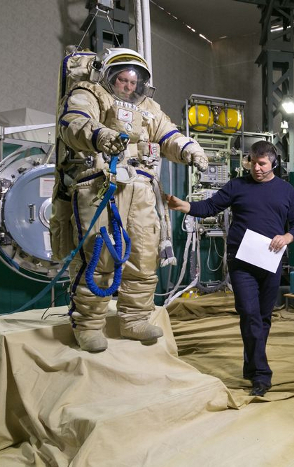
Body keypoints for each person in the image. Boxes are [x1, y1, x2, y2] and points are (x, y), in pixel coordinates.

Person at [51, 47, 208, 352]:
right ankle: (88, 325)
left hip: (141, 188)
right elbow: (74, 122)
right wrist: (101, 136)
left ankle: (135, 319)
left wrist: (191, 149)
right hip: (99, 184)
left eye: (133, 82)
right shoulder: (90, 93)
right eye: (122, 79)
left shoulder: (149, 107)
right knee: (98, 256)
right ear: (109, 76)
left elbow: (169, 135)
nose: (128, 86)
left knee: (144, 256)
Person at [165, 141, 294, 397]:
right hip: (241, 262)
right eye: (252, 162)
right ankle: (262, 375)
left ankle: (251, 367)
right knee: (249, 313)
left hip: (270, 261)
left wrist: (287, 237)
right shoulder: (237, 186)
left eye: (262, 163)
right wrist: (184, 206)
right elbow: (210, 206)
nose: (256, 168)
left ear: (273, 163)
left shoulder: (285, 190)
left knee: (263, 317)